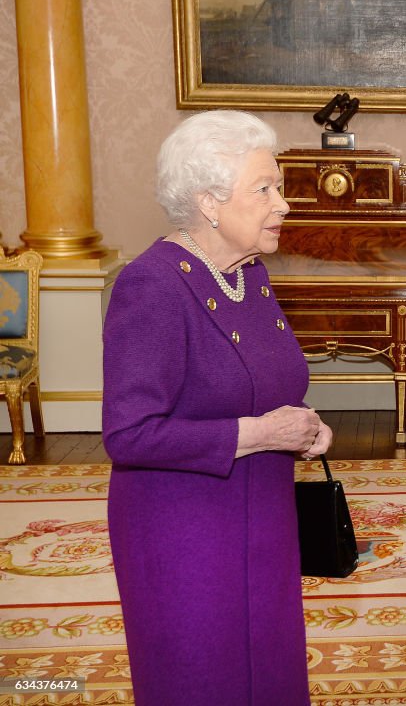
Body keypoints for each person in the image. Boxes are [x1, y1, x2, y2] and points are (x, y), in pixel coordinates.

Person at [103, 110, 332, 706]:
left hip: (264, 518)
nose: (283, 203)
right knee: (203, 678)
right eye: (265, 189)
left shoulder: (249, 274)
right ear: (208, 202)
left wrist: (302, 426)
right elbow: (129, 434)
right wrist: (258, 433)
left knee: (270, 673)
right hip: (183, 534)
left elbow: (263, 382)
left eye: (277, 187)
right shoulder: (151, 286)